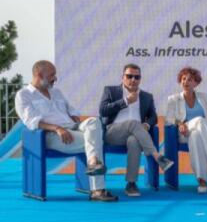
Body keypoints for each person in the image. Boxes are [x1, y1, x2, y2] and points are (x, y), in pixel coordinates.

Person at [15, 60, 117, 202]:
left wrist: (76, 119)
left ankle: (93, 163)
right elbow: (32, 122)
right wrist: (57, 128)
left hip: (73, 127)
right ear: (39, 74)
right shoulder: (23, 95)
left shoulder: (56, 92)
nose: (55, 78)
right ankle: (97, 189)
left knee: (94, 122)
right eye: (52, 75)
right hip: (52, 135)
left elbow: (72, 110)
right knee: (95, 141)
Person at [99, 64, 173, 197]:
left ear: (140, 79)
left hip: (137, 133)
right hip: (112, 133)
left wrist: (147, 125)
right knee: (133, 123)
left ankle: (131, 183)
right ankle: (157, 156)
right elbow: (103, 110)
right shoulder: (110, 90)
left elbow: (153, 117)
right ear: (122, 77)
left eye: (136, 77)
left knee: (134, 141)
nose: (133, 80)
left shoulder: (146, 96)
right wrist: (125, 101)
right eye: (129, 76)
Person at [165, 67, 207, 194]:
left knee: (196, 137)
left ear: (196, 83)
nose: (186, 82)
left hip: (202, 133)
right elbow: (169, 118)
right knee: (199, 120)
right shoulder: (173, 99)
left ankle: (202, 181)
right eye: (183, 79)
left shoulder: (205, 97)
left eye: (190, 79)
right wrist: (180, 123)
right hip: (184, 132)